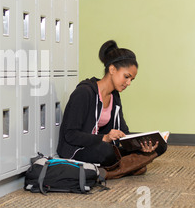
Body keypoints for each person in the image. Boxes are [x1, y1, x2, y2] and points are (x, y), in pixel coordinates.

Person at [56, 40, 167, 179]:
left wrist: (141, 146)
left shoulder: (115, 96)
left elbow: (124, 132)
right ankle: (129, 167)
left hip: (102, 147)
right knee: (107, 152)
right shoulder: (84, 92)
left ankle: (109, 171)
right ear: (112, 69)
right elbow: (70, 135)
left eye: (132, 79)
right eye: (126, 77)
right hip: (78, 150)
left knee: (160, 146)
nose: (128, 83)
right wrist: (105, 137)